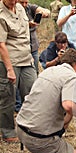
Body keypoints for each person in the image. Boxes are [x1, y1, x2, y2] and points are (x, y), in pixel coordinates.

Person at [16, 49, 76, 153]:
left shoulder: (49, 71)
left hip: (21, 129)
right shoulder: (72, 77)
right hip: (39, 139)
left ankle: (52, 149)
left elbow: (50, 95)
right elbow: (68, 106)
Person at [0, 0, 37, 143]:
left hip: (26, 58)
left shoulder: (20, 7)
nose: (15, 2)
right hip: (10, 60)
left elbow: (20, 28)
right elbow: (1, 45)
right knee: (7, 97)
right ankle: (8, 132)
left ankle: (30, 127)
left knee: (33, 93)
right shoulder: (1, 14)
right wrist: (9, 69)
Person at [19, 0, 50, 73]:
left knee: (35, 70)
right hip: (20, 47)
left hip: (33, 47)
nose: (24, 5)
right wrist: (28, 24)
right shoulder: (13, 10)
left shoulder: (29, 8)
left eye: (26, 2)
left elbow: (47, 11)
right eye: (21, 2)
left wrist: (43, 13)